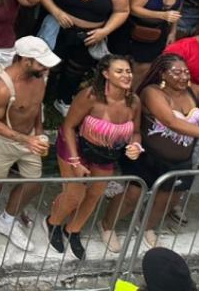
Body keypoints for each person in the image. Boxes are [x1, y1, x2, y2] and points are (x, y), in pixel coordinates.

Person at [100, 54, 199, 251]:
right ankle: (107, 226)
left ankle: (146, 226)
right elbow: (171, 122)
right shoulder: (151, 92)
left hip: (181, 161)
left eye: (186, 72)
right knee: (132, 196)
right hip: (148, 157)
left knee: (167, 199)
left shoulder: (195, 91)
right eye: (177, 72)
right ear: (163, 74)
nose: (183, 76)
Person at [0, 37, 60, 252]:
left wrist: (40, 134)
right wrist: (26, 140)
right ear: (25, 60)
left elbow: (36, 107)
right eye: (41, 63)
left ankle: (6, 220)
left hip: (30, 139)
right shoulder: (3, 85)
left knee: (33, 184)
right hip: (1, 140)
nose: (46, 68)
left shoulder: (41, 76)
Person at [44, 55, 142, 260]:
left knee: (95, 194)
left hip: (105, 152)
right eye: (119, 71)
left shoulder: (134, 101)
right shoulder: (90, 96)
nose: (126, 75)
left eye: (128, 71)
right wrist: (75, 161)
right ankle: (53, 222)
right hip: (76, 146)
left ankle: (73, 229)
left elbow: (136, 132)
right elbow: (68, 127)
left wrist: (135, 145)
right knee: (75, 195)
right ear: (106, 74)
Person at [37, 0, 129, 114]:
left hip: (91, 35)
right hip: (59, 29)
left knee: (76, 70)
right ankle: (40, 100)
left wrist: (105, 31)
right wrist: (56, 12)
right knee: (49, 66)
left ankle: (63, 100)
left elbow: (122, 11)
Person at [116, 0, 199, 87]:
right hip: (133, 26)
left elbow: (177, 7)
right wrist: (162, 15)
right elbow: (133, 8)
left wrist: (172, 32)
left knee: (145, 67)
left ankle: (133, 93)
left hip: (158, 30)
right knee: (122, 65)